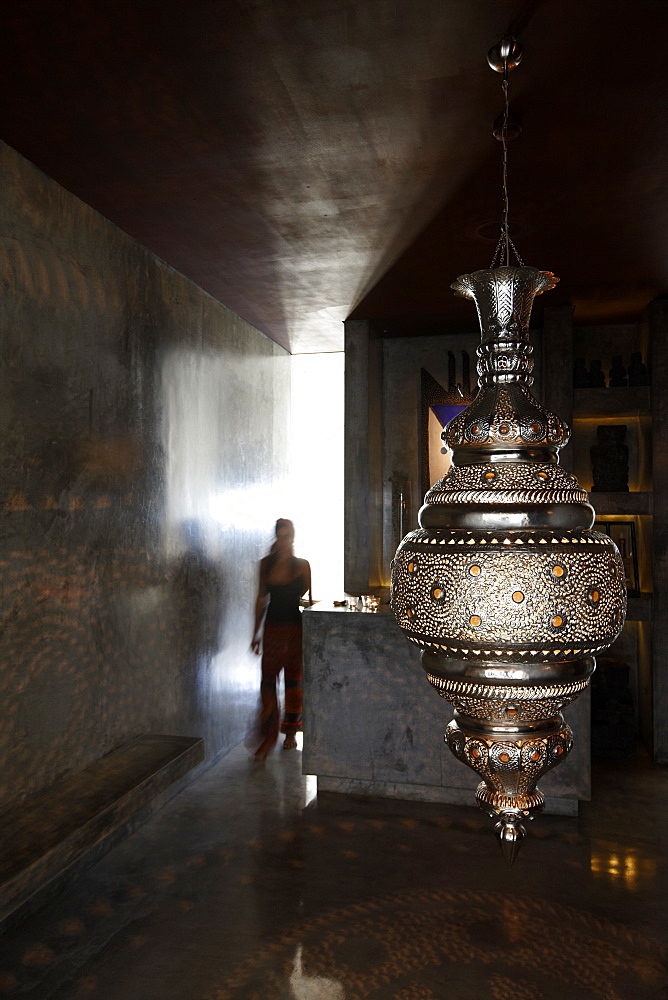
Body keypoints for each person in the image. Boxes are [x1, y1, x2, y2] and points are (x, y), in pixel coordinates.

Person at [250, 519, 312, 758]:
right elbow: (260, 599)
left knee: (294, 683)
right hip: (272, 628)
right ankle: (267, 737)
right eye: (280, 535)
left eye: (288, 536)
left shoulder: (302, 565)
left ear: (293, 538)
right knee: (267, 683)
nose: (284, 540)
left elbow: (307, 598)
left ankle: (290, 734)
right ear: (276, 536)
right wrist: (255, 633)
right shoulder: (265, 565)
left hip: (295, 629)